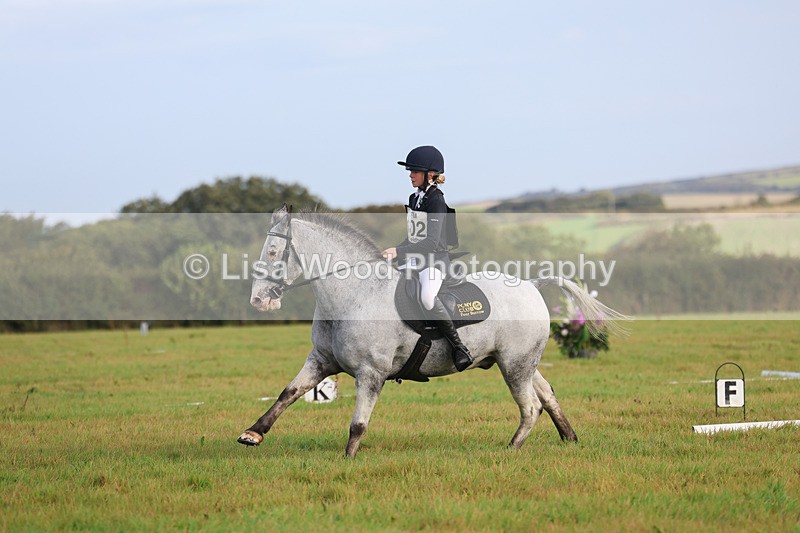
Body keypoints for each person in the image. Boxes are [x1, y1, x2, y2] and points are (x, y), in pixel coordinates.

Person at [381, 146, 473, 372]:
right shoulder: (415, 198)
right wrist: (393, 251)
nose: (410, 175)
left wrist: (399, 252)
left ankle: (459, 347)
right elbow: (413, 237)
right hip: (415, 259)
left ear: (430, 174)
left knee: (427, 296)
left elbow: (431, 242)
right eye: (410, 171)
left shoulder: (436, 201)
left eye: (415, 171)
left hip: (434, 261)